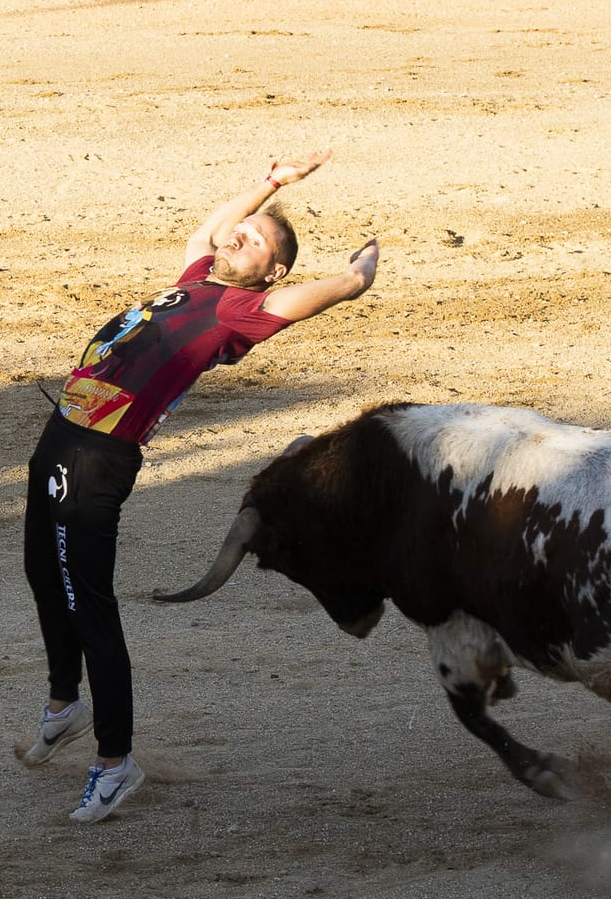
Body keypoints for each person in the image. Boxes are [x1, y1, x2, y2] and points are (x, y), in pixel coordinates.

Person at [21, 151, 380, 823]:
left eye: (257, 240)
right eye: (243, 230)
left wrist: (360, 269)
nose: (239, 234)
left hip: (97, 459)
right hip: (61, 435)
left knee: (89, 605)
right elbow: (206, 231)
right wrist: (271, 185)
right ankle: (64, 704)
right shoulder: (194, 283)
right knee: (44, 575)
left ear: (272, 272)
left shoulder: (242, 310)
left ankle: (115, 763)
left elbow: (330, 291)